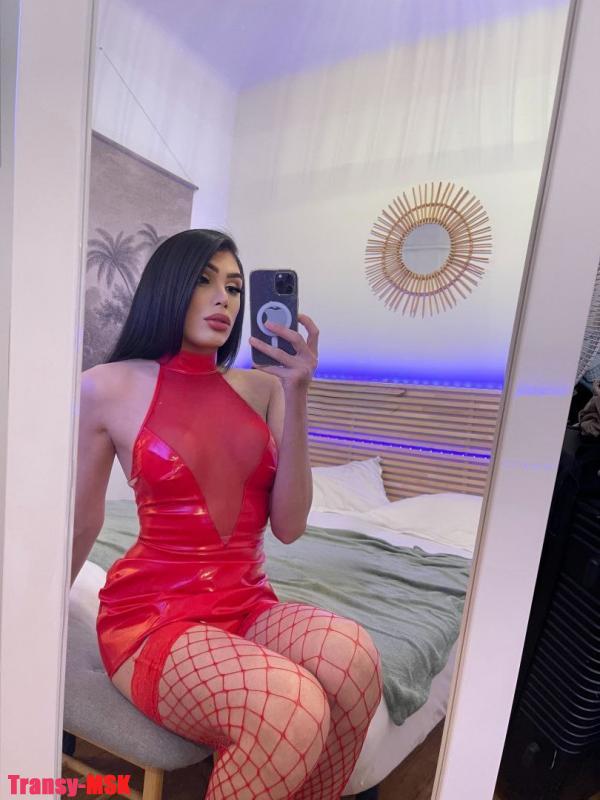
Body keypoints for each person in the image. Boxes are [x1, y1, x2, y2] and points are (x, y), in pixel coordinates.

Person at [71, 229, 383, 800]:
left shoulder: (266, 388)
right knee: (290, 706)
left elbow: (289, 527)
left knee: (355, 660)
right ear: (169, 286)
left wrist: (298, 392)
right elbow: (84, 520)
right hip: (153, 619)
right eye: (205, 280)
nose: (225, 299)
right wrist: (28, 620)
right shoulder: (107, 385)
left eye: (236, 288)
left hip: (246, 605)